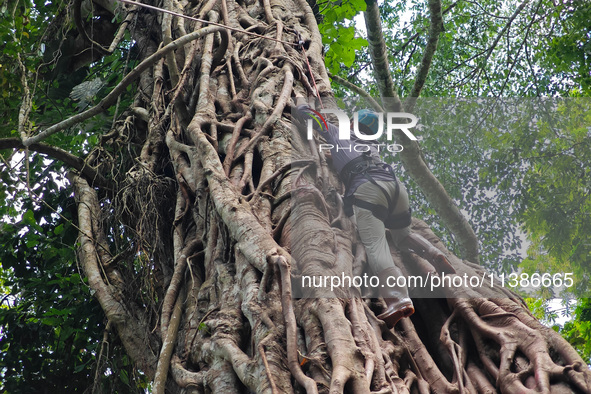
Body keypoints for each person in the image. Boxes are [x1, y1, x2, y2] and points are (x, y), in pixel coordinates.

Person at [294, 101, 455, 328]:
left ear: (352, 122)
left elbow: (308, 115)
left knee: (376, 245)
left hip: (367, 189)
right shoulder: (372, 144)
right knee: (402, 234)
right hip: (395, 188)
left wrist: (302, 107)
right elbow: (347, 156)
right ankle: (434, 253)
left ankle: (397, 298)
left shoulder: (338, 132)